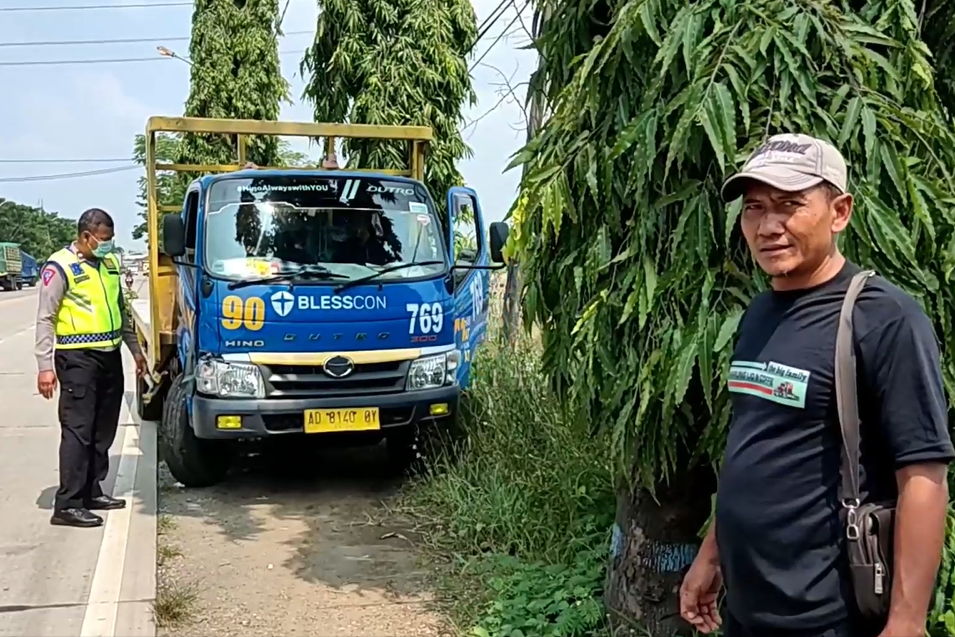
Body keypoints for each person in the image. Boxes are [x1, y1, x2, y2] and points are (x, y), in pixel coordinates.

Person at [679, 134, 954, 637]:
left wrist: (907, 622)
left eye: (789, 205)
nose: (768, 226)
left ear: (840, 212)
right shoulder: (760, 314)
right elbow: (755, 444)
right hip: (747, 610)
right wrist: (712, 555)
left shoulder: (883, 318)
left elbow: (924, 477)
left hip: (827, 618)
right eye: (754, 208)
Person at [35, 208, 147, 528]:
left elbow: (119, 310)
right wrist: (45, 366)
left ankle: (92, 491)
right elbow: (45, 317)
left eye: (111, 239)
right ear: (86, 236)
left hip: (109, 355)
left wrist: (135, 350)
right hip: (76, 359)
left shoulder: (110, 264)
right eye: (104, 239)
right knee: (78, 432)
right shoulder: (60, 266)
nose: (108, 245)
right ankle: (68, 504)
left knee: (103, 430)